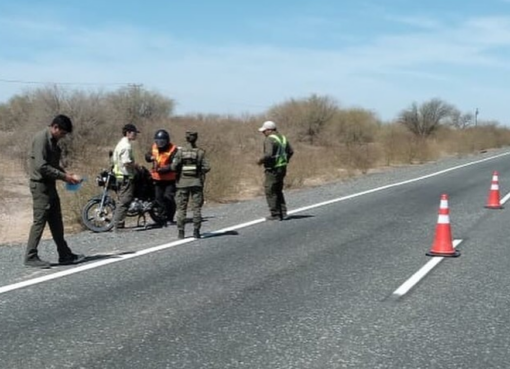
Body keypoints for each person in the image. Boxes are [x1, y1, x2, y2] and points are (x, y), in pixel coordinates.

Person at [24, 114, 85, 268]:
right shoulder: (41, 139)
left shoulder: (53, 141)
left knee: (56, 221)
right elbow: (41, 166)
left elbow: (53, 165)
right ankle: (30, 257)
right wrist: (64, 177)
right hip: (40, 186)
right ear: (55, 127)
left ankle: (64, 254)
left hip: (50, 186)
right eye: (62, 133)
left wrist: (67, 175)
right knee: (40, 221)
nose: (63, 136)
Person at [171, 131, 211, 239]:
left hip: (182, 184)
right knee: (196, 208)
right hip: (196, 183)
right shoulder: (200, 153)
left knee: (181, 208)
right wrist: (199, 170)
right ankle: (196, 231)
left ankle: (181, 232)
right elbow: (207, 167)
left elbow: (173, 167)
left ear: (186, 138)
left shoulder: (180, 153)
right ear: (196, 139)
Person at [257, 120, 294, 220]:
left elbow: (268, 154)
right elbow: (291, 151)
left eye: (264, 131)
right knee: (278, 190)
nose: (263, 133)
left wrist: (260, 161)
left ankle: (275, 214)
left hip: (272, 169)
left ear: (269, 130)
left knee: (270, 191)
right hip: (282, 167)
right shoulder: (282, 138)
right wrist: (285, 160)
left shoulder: (269, 139)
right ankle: (283, 212)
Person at [145, 129, 178, 225]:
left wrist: (163, 169)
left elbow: (174, 165)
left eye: (162, 141)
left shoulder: (173, 149)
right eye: (158, 141)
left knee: (168, 198)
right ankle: (162, 217)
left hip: (169, 179)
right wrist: (150, 157)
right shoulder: (154, 147)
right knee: (158, 198)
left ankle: (170, 218)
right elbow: (147, 155)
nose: (160, 143)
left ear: (167, 141)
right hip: (157, 179)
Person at [112, 123, 140, 230]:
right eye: (134, 133)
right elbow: (126, 162)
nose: (135, 135)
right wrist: (136, 165)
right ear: (128, 133)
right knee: (125, 200)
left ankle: (119, 224)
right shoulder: (126, 146)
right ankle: (118, 225)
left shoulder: (120, 143)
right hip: (125, 176)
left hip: (120, 176)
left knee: (122, 199)